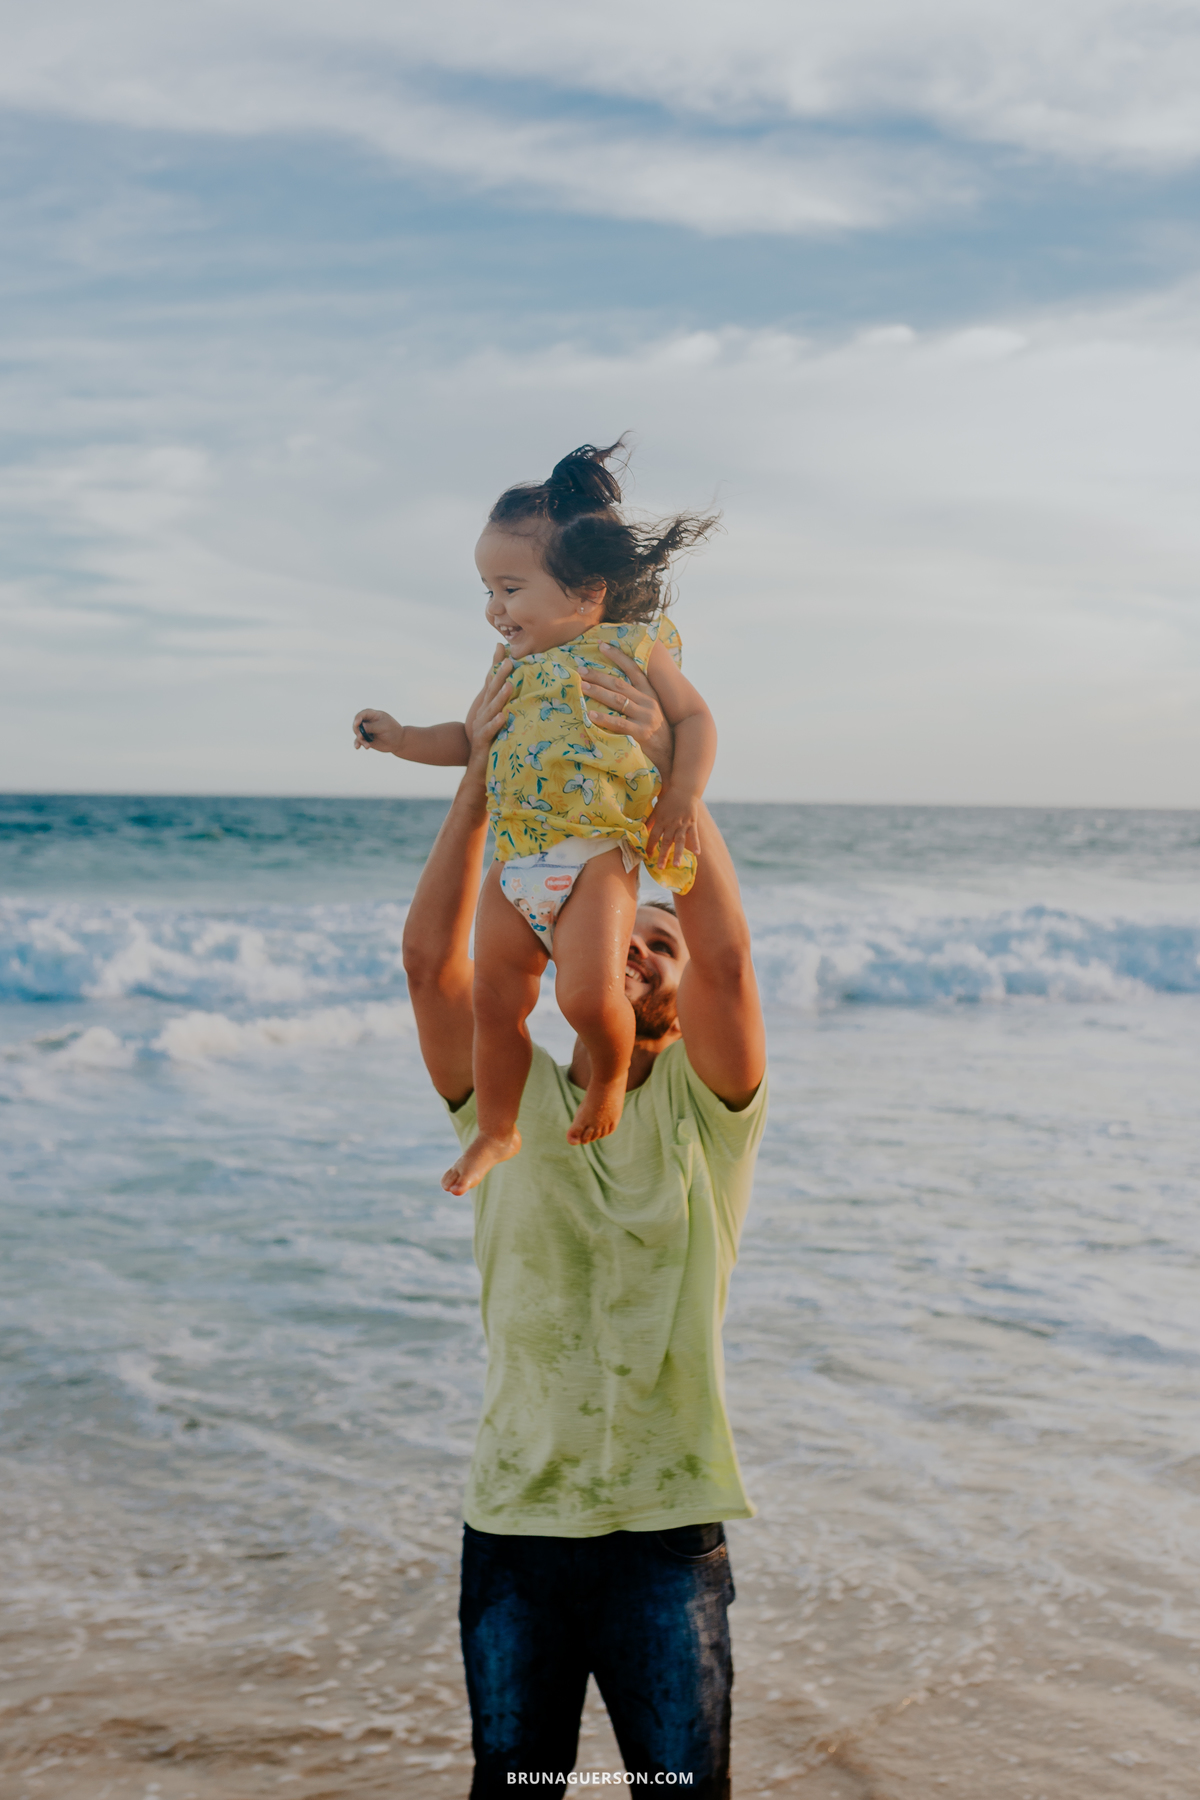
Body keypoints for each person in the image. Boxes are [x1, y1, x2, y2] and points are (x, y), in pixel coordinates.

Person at [395, 643, 767, 1800]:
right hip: (517, 1522)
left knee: (676, 1791)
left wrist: (673, 783)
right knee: (515, 1787)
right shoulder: (503, 1105)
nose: (651, 953)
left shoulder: (712, 1120)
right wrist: (475, 787)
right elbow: (430, 965)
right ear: (574, 953)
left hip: (667, 1531)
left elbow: (732, 956)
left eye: (663, 943)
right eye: (630, 939)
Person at [353, 441, 719, 1196]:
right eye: (487, 591)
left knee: (586, 997)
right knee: (494, 1001)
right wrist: (400, 740)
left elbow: (696, 721)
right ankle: (498, 1128)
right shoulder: (509, 671)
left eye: (510, 588)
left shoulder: (633, 649)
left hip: (594, 857)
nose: (495, 610)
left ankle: (610, 1077)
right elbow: (469, 743)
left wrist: (680, 796)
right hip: (515, 862)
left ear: (586, 591)